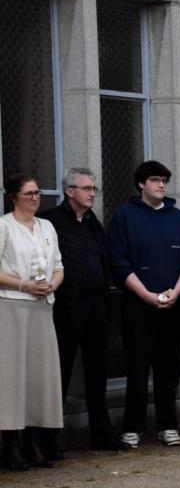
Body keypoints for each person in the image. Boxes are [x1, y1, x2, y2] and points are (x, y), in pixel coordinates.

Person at [107, 160, 180, 449]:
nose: (161, 185)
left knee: (169, 368)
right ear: (141, 184)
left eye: (164, 180)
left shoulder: (179, 218)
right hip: (137, 305)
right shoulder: (124, 216)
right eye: (156, 180)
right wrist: (146, 295)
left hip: (173, 304)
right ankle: (132, 427)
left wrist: (176, 292)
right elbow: (118, 262)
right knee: (136, 367)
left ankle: (168, 425)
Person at [40, 168, 128, 454]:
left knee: (97, 372)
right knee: (60, 371)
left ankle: (101, 434)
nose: (92, 193)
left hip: (97, 305)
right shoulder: (51, 222)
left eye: (94, 189)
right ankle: (49, 439)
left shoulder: (92, 221)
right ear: (69, 191)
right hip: (67, 307)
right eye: (86, 188)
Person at [0, 175, 64, 470]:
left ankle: (35, 440)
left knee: (40, 376)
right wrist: (24, 285)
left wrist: (52, 284)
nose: (35, 198)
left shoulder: (47, 227)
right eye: (29, 193)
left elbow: (58, 266)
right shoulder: (4, 226)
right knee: (13, 376)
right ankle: (11, 443)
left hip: (42, 308)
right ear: (13, 196)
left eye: (38, 192)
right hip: (13, 307)